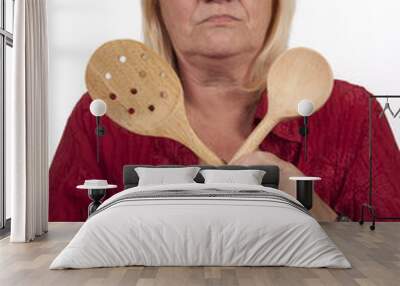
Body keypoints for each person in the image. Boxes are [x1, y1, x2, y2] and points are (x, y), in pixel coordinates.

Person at [49, 0, 400, 222]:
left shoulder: (353, 114)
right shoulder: (106, 115)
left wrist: (317, 215)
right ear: (155, 6)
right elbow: (54, 256)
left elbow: (389, 262)